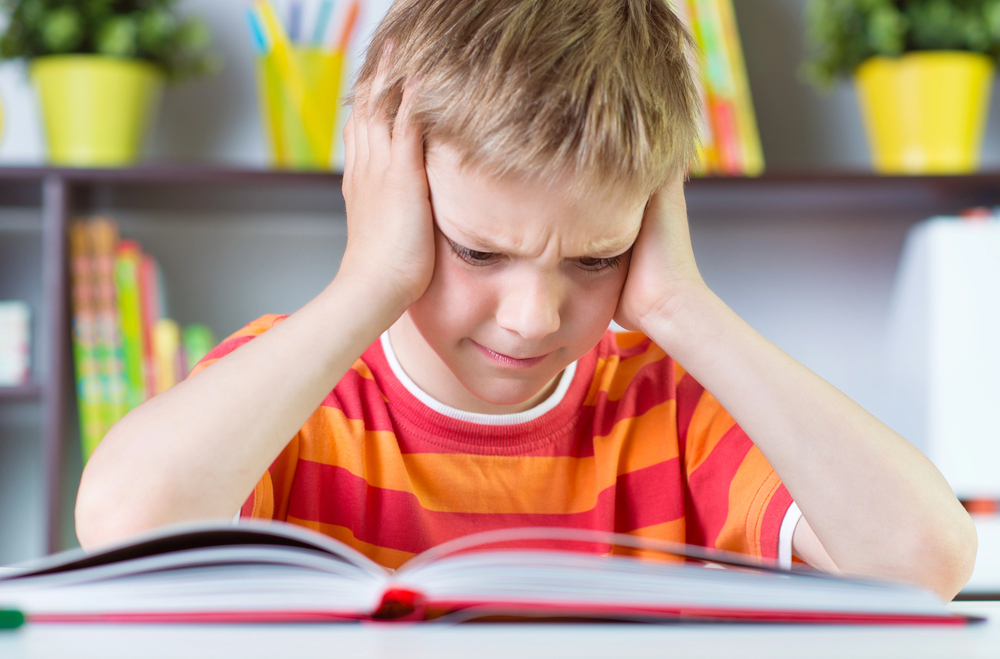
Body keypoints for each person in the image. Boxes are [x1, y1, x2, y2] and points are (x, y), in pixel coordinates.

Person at [75, 0, 975, 600]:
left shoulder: (671, 406)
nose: (534, 316)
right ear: (390, 198)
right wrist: (368, 280)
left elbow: (923, 560)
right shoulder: (290, 395)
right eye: (477, 249)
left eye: (596, 258)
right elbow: (124, 526)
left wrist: (680, 304)